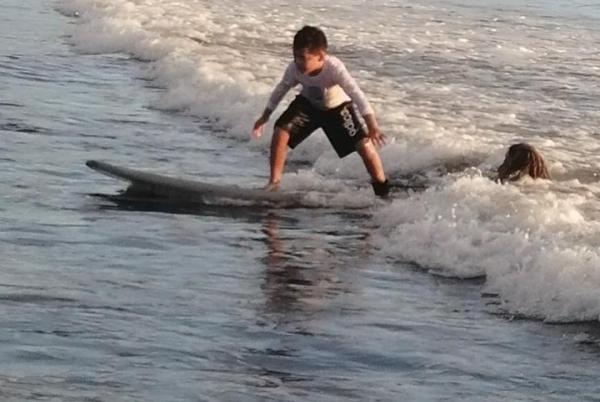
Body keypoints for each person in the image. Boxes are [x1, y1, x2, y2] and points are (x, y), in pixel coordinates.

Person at [251, 25, 389, 197]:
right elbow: (281, 89)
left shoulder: (334, 68)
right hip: (308, 106)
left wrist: (372, 126)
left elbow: (357, 94)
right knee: (281, 130)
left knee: (364, 145)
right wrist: (265, 116)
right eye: (296, 56)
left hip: (337, 109)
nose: (299, 62)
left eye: (304, 58)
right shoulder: (294, 68)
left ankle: (382, 188)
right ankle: (274, 183)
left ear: (321, 56)